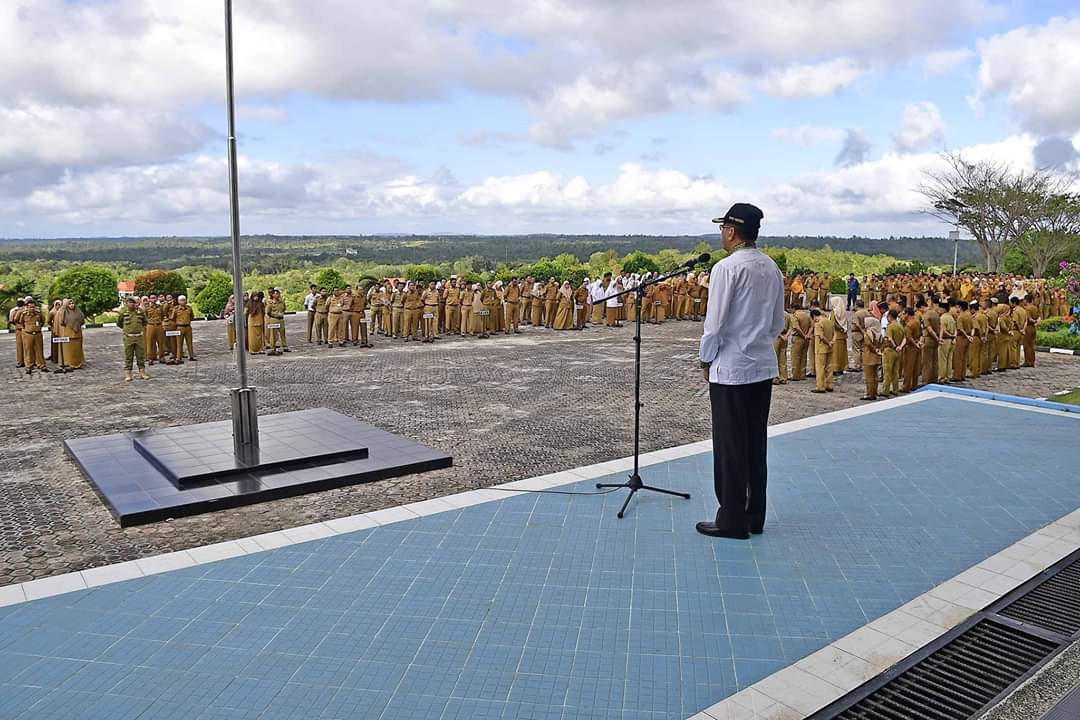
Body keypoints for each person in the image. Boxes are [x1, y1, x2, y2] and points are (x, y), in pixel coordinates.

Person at [697, 203, 784, 540]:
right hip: (761, 367)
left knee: (730, 446)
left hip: (731, 370)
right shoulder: (771, 267)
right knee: (754, 443)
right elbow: (778, 322)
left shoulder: (726, 268)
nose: (722, 234)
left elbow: (714, 324)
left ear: (731, 231)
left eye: (723, 229)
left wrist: (706, 360)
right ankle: (754, 515)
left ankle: (731, 518)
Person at [116, 296, 149, 381]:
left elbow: (145, 322)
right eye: (130, 302)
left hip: (139, 337)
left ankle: (142, 372)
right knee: (128, 356)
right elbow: (119, 324)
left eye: (133, 302)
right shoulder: (123, 313)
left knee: (140, 356)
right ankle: (128, 374)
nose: (132, 304)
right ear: (127, 304)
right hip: (128, 338)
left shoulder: (140, 312)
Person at [17, 299, 48, 374]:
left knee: (39, 350)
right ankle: (29, 366)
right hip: (28, 334)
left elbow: (43, 321)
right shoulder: (24, 314)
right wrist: (26, 329)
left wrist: (38, 328)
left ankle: (41, 365)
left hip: (37, 334)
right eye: (30, 307)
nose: (32, 309)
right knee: (28, 350)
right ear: (27, 307)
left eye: (33, 307)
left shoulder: (38, 313)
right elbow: (21, 322)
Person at [861, 315, 882, 400]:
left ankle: (870, 394)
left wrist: (874, 350)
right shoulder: (879, 333)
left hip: (868, 357)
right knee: (875, 376)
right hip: (876, 357)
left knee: (869, 377)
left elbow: (868, 344)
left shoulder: (868, 333)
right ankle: (874, 392)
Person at [62, 300, 85, 369]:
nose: (72, 305)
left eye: (73, 303)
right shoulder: (65, 313)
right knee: (70, 351)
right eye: (70, 304)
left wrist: (77, 326)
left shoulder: (79, 312)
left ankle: (79, 364)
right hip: (69, 334)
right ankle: (71, 364)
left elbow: (82, 321)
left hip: (78, 334)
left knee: (78, 350)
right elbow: (62, 322)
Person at [174, 295, 196, 361]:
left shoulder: (189, 308)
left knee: (189, 342)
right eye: (181, 300)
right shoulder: (176, 309)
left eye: (184, 300)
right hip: (179, 327)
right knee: (179, 343)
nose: (183, 301)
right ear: (178, 301)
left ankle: (191, 356)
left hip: (188, 327)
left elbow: (192, 316)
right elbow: (172, 317)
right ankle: (178, 357)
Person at [266, 289, 287, 355]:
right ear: (273, 295)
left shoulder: (282, 302)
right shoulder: (271, 303)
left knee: (282, 333)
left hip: (281, 319)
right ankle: (273, 347)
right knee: (273, 334)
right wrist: (274, 315)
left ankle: (285, 346)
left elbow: (284, 308)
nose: (277, 295)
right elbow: (268, 312)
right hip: (274, 319)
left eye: (278, 294)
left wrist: (281, 314)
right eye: (276, 294)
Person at [10, 299, 25, 368]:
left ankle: (20, 361)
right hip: (24, 329)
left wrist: (17, 325)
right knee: (26, 346)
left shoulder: (13, 311)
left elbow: (11, 320)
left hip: (19, 329)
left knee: (20, 346)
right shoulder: (25, 310)